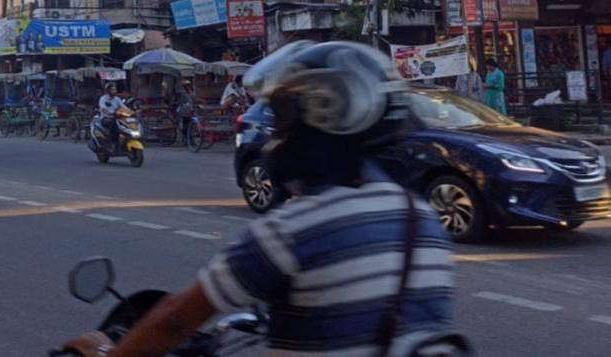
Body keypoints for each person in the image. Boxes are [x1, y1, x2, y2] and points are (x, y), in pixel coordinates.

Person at [63, 41, 461, 357]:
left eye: (284, 114)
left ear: (327, 114)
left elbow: (175, 321)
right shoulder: (422, 220)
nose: (275, 130)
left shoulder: (296, 229)